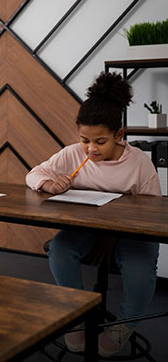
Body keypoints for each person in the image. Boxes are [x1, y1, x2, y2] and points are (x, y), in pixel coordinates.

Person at [26, 72, 161, 357]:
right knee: (60, 249)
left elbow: (152, 213)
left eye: (100, 141)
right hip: (86, 230)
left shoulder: (139, 163)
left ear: (119, 136)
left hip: (131, 234)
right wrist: (49, 183)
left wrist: (111, 237)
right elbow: (33, 174)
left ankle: (124, 326)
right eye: (85, 140)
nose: (90, 149)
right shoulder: (74, 154)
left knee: (140, 271)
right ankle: (75, 315)